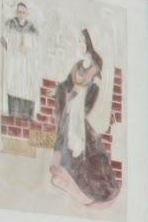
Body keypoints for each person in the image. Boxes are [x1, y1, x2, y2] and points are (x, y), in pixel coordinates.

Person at [50, 29, 120, 207]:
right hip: (72, 109)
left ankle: (93, 188)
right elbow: (67, 84)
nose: (79, 45)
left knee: (87, 149)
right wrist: (59, 89)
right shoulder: (78, 66)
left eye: (81, 41)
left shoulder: (95, 68)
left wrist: (80, 104)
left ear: (88, 42)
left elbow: (93, 92)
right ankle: (65, 175)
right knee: (68, 141)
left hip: (80, 110)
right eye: (77, 41)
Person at [1, 0, 41, 119]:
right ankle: (14, 112)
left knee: (26, 86)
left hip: (26, 63)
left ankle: (26, 114)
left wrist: (28, 49)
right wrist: (11, 48)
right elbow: (3, 39)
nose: (21, 14)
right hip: (14, 60)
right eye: (19, 12)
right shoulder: (10, 24)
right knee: (13, 84)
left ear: (27, 13)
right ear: (16, 12)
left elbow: (35, 46)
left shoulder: (31, 28)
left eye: (23, 12)